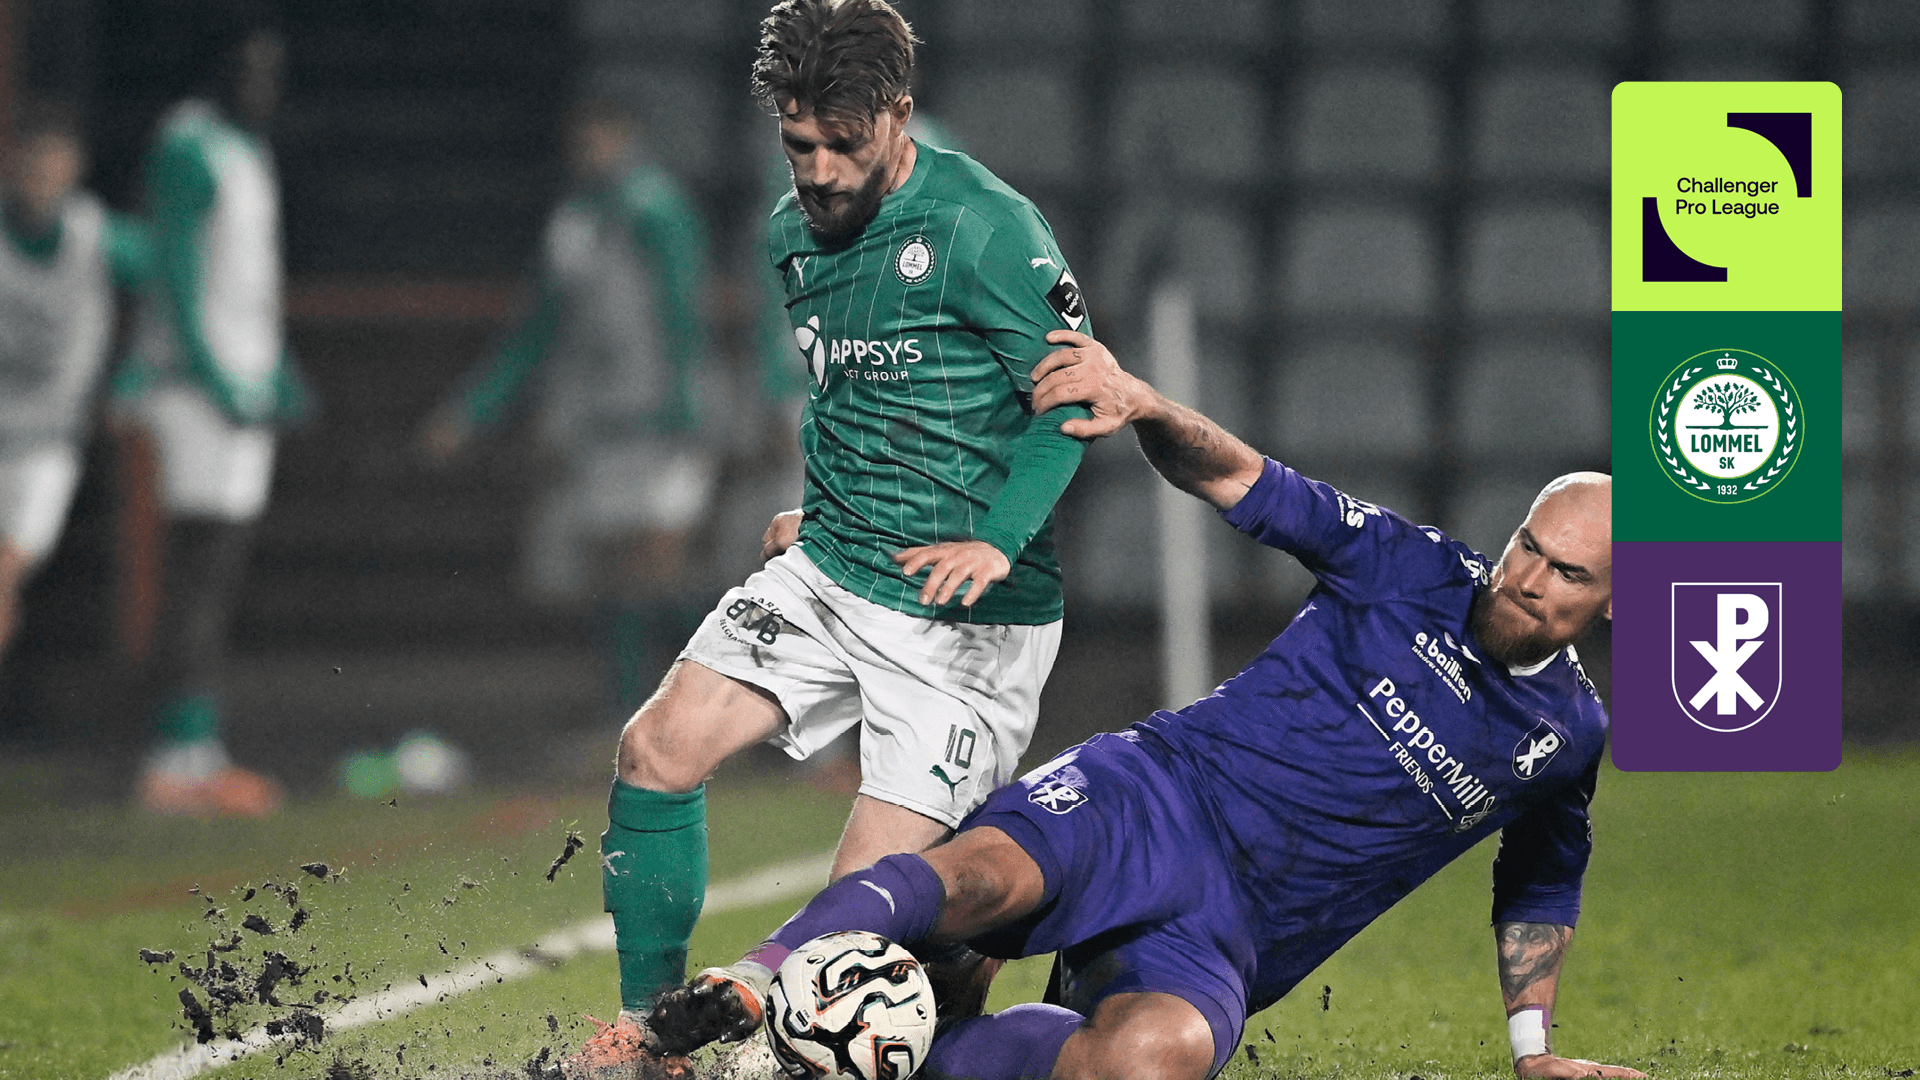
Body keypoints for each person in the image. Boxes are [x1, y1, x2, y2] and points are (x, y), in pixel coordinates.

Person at [632, 332, 1645, 1080]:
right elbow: (1237, 476)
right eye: (1527, 546)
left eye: (1566, 574)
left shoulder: (1565, 738)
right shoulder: (1405, 564)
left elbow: (1539, 886)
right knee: (975, 882)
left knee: (1153, 1058)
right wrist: (1149, 407)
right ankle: (755, 981)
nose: (1527, 579)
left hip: (1233, 929)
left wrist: (1533, 1050)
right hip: (1155, 796)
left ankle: (905, 1058)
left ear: (1612, 600)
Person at [560, 2, 1095, 1075]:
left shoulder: (984, 226)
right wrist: (831, 504)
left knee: (858, 931)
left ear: (898, 114)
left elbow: (1074, 399)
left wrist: (996, 542)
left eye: (841, 144)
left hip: (968, 620)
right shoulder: (790, 232)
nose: (817, 170)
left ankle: (966, 957)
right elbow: (854, 394)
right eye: (797, 143)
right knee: (656, 750)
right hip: (838, 564)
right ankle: (652, 1037)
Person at [420, 98, 713, 716]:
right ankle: (628, 713)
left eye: (602, 132)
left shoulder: (658, 209)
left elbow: (684, 309)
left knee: (662, 566)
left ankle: (725, 707)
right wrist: (473, 408)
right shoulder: (572, 224)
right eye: (582, 134)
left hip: (659, 420)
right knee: (609, 574)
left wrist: (688, 403)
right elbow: (535, 331)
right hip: (599, 423)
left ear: (627, 133)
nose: (590, 145)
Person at [110, 6, 307, 816]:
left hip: (239, 384)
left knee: (216, 576)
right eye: (249, 68)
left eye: (273, 71)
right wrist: (212, 372)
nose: (264, 85)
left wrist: (278, 366)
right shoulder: (188, 144)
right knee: (195, 570)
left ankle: (197, 746)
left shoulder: (246, 149)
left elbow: (248, 277)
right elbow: (176, 269)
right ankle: (171, 753)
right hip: (194, 391)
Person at [0, 101, 150, 668]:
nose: (41, 177)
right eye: (32, 163)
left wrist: (133, 377)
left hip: (47, 438)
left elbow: (174, 277)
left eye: (53, 165)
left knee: (6, 567)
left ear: (73, 169)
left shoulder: (96, 236)